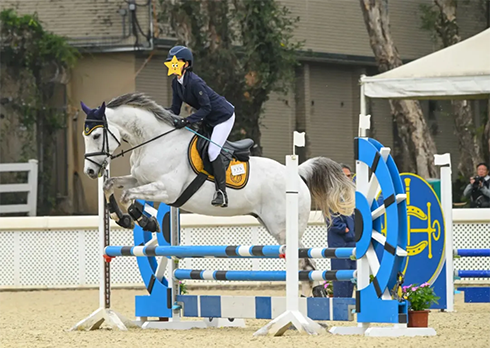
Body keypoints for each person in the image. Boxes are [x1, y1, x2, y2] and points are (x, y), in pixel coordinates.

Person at [165, 45, 235, 208]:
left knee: (212, 150)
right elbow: (175, 110)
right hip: (208, 118)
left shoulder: (195, 82)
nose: (172, 65)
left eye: (176, 62)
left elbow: (206, 108)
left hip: (222, 117)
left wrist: (187, 120)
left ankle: (222, 192)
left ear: (186, 64)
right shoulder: (176, 84)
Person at [327, 163, 356, 298]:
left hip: (355, 241)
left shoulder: (355, 193)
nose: (347, 179)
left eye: (349, 176)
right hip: (340, 242)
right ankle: (341, 306)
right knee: (341, 278)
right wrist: (346, 230)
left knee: (355, 276)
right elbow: (332, 219)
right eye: (344, 176)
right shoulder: (331, 194)